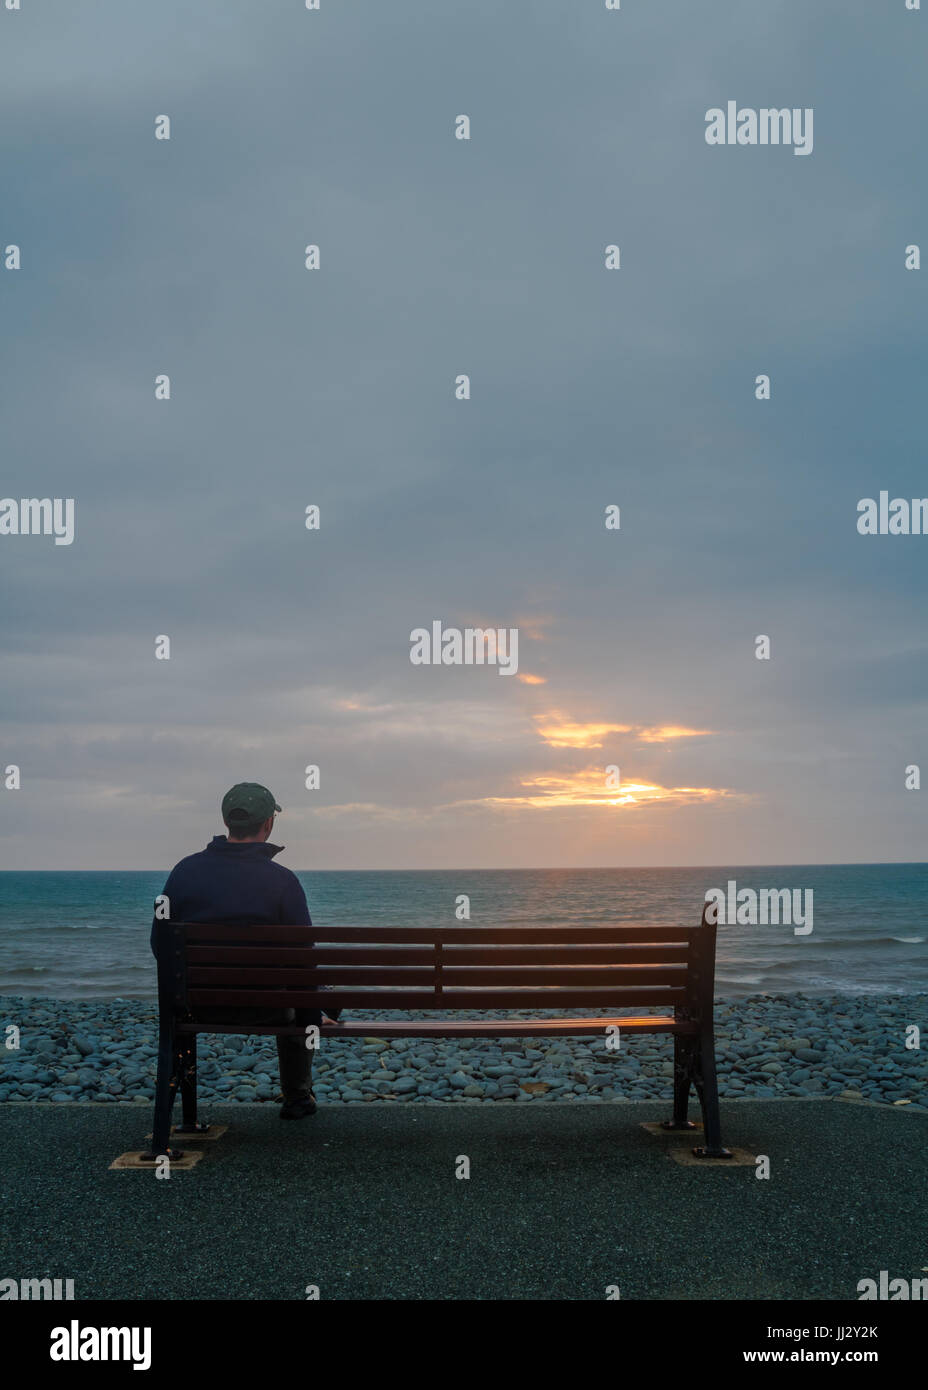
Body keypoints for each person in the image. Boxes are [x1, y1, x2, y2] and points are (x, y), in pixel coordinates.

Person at [150, 782, 338, 1119]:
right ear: (268, 824)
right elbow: (304, 959)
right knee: (319, 995)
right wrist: (312, 1016)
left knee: (305, 992)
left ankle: (178, 1117)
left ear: (227, 823)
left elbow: (160, 943)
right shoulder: (283, 881)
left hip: (196, 1008)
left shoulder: (184, 872)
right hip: (268, 1008)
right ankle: (297, 1096)